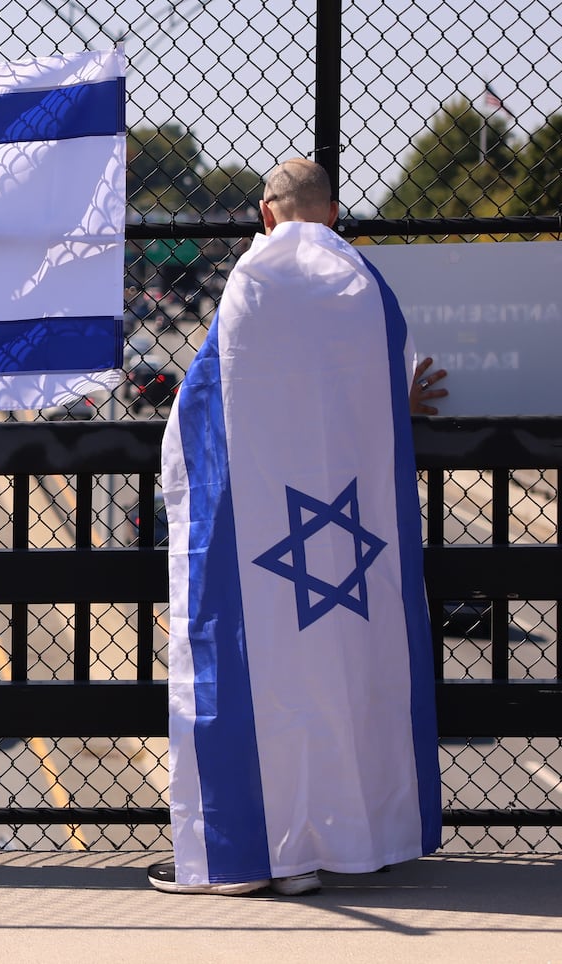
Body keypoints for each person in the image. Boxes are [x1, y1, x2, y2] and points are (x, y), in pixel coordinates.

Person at [149, 158, 442, 897]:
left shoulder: (251, 281)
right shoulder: (367, 286)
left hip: (264, 534)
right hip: (351, 536)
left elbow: (205, 402)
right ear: (335, 213)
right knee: (347, 678)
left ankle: (254, 855)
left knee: (255, 674)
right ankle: (347, 839)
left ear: (265, 212)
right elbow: (384, 390)